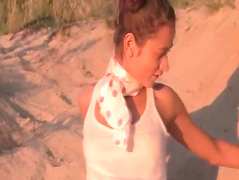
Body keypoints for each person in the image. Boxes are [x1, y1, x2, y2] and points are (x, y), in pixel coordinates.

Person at [78, 0, 239, 179]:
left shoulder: (162, 102)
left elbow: (214, 151)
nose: (166, 65)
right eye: (160, 54)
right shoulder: (89, 100)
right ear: (130, 45)